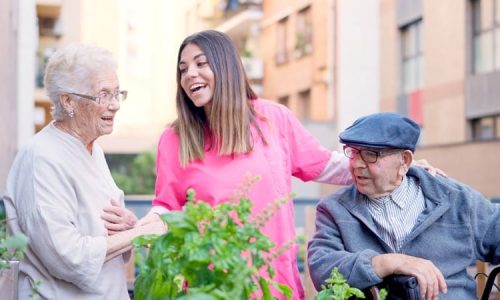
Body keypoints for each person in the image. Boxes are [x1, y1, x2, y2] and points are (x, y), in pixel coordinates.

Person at [137, 30, 441, 299]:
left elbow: (328, 166)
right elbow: (166, 206)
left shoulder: (272, 119)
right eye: (183, 69)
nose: (190, 74)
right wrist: (138, 228)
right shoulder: (175, 138)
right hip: (210, 285)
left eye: (200, 64)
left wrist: (402, 169)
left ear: (226, 66)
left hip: (273, 283)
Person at [3, 44, 165, 299]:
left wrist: (127, 226)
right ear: (68, 102)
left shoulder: (93, 150)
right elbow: (66, 256)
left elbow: (101, 231)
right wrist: (138, 234)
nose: (115, 105)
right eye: (103, 95)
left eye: (117, 93)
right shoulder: (41, 158)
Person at [307, 112, 500, 300]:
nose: (356, 163)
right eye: (353, 152)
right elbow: (321, 268)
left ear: (405, 161)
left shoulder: (456, 199)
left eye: (369, 154)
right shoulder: (333, 209)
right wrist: (386, 262)